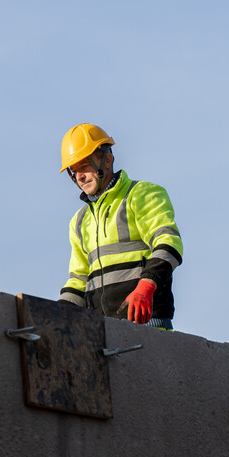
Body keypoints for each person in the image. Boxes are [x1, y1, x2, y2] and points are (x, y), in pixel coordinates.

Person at [57, 123, 182, 329]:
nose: (79, 176)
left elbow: (168, 243)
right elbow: (78, 281)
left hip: (148, 328)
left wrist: (146, 285)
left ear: (107, 159)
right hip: (103, 335)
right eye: (74, 170)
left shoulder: (141, 194)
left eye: (84, 165)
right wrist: (57, 316)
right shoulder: (79, 221)